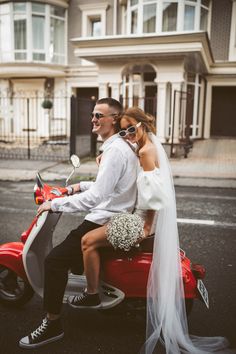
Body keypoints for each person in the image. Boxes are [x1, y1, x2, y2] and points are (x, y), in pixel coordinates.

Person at [68, 107, 234, 354]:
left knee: (87, 241)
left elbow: (154, 196)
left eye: (132, 129)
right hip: (139, 216)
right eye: (123, 131)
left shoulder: (145, 151)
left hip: (142, 221)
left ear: (144, 125)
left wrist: (145, 227)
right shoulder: (143, 149)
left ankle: (92, 294)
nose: (128, 134)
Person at [19, 98, 139, 349]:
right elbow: (108, 187)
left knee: (53, 261)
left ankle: (52, 324)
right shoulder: (117, 147)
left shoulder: (115, 151)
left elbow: (97, 198)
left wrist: (56, 204)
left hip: (105, 217)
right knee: (70, 252)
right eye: (93, 115)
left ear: (114, 119)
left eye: (99, 115)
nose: (93, 119)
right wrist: (76, 186)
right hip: (112, 212)